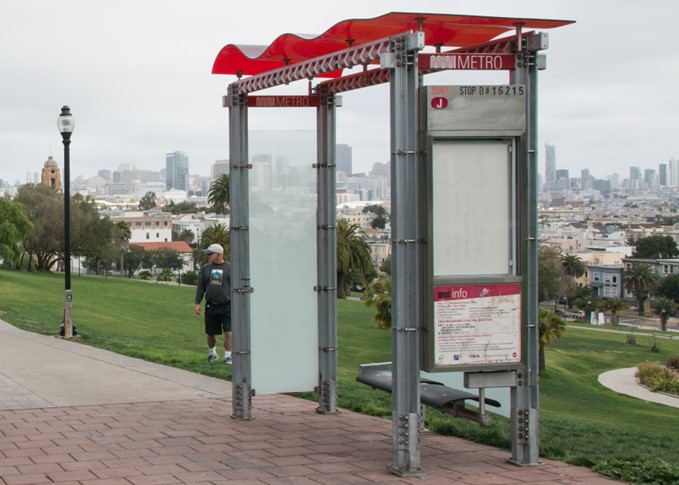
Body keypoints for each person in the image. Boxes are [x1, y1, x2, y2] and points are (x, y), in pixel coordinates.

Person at [194, 243, 232, 364]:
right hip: (211, 305)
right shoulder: (206, 268)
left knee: (229, 331)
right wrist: (198, 303)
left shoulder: (230, 268)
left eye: (211, 254)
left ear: (219, 254)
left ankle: (228, 356)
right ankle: (212, 353)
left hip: (227, 305)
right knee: (211, 333)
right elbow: (201, 287)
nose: (209, 256)